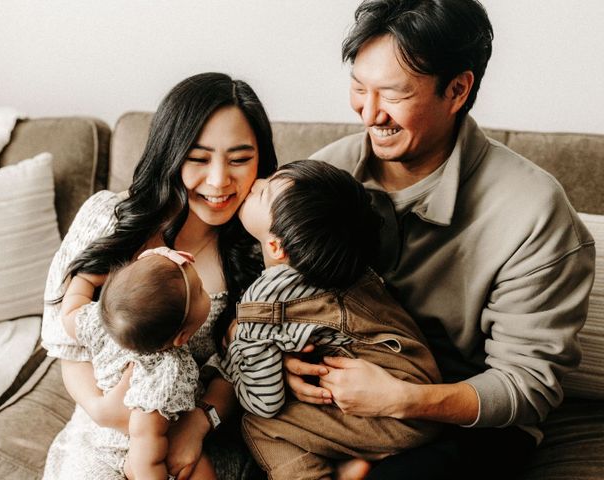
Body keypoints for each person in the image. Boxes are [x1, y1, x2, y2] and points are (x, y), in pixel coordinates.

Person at [290, 1, 596, 478]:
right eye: (357, 88)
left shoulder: (533, 211)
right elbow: (257, 294)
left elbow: (528, 384)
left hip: (469, 424)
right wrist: (280, 365)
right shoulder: (323, 176)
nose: (369, 113)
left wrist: (403, 400)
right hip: (336, 407)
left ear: (457, 90)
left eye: (392, 94)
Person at [40, 71, 278, 480]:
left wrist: (197, 425)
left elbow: (246, 360)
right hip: (102, 430)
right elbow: (66, 340)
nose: (220, 181)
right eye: (199, 159)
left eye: (240, 159)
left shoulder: (263, 245)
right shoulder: (109, 218)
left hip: (197, 427)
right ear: (171, 154)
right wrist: (101, 410)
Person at [221, 160, 441, 480]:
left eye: (263, 192)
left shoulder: (266, 299)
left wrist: (236, 358)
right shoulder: (346, 262)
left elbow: (264, 400)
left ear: (275, 246)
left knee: (259, 422)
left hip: (394, 414)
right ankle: (351, 460)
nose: (254, 184)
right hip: (424, 392)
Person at [59, 247, 215, 480]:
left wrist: (84, 280)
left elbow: (70, 312)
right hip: (134, 448)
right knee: (202, 472)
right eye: (201, 290)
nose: (206, 291)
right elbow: (146, 439)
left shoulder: (100, 323)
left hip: (113, 432)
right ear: (181, 337)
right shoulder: (164, 374)